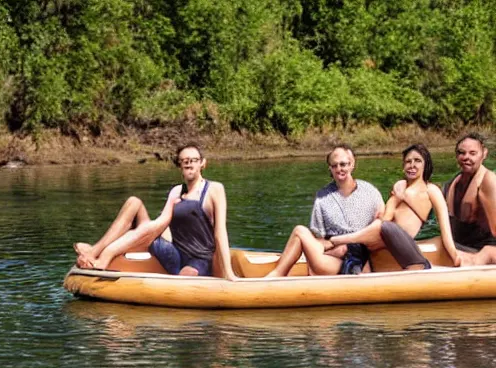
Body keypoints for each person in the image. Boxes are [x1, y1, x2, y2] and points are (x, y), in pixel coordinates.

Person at [73, 143, 238, 280]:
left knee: (185, 277)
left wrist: (229, 273)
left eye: (193, 160)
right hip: (173, 254)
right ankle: (96, 253)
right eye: (184, 160)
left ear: (203, 163)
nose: (189, 163)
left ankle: (100, 254)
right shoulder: (176, 191)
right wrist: (147, 238)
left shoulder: (214, 189)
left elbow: (220, 232)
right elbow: (162, 223)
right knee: (134, 202)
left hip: (198, 259)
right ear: (179, 165)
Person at [329, 144, 460, 269]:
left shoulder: (431, 190)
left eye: (417, 161)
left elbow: (444, 225)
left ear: (426, 165)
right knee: (349, 246)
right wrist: (397, 197)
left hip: (402, 240)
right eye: (408, 161)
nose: (412, 165)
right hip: (386, 235)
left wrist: (453, 254)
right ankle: (334, 248)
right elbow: (386, 218)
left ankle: (340, 239)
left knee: (379, 227)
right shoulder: (399, 187)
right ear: (403, 166)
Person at [265, 144, 385, 277]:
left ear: (352, 164)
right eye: (334, 166)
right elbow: (320, 240)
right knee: (301, 233)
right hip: (331, 258)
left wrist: (349, 246)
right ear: (330, 169)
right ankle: (278, 276)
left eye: (343, 164)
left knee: (299, 231)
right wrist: (334, 247)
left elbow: (381, 227)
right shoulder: (323, 196)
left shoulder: (370, 192)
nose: (339, 169)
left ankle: (276, 276)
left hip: (360, 260)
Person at [443, 132, 496, 265]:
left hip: (484, 251)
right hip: (459, 247)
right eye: (462, 153)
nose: (466, 157)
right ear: (456, 156)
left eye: (473, 153)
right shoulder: (450, 184)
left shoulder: (487, 181)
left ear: (484, 154)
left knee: (487, 253)